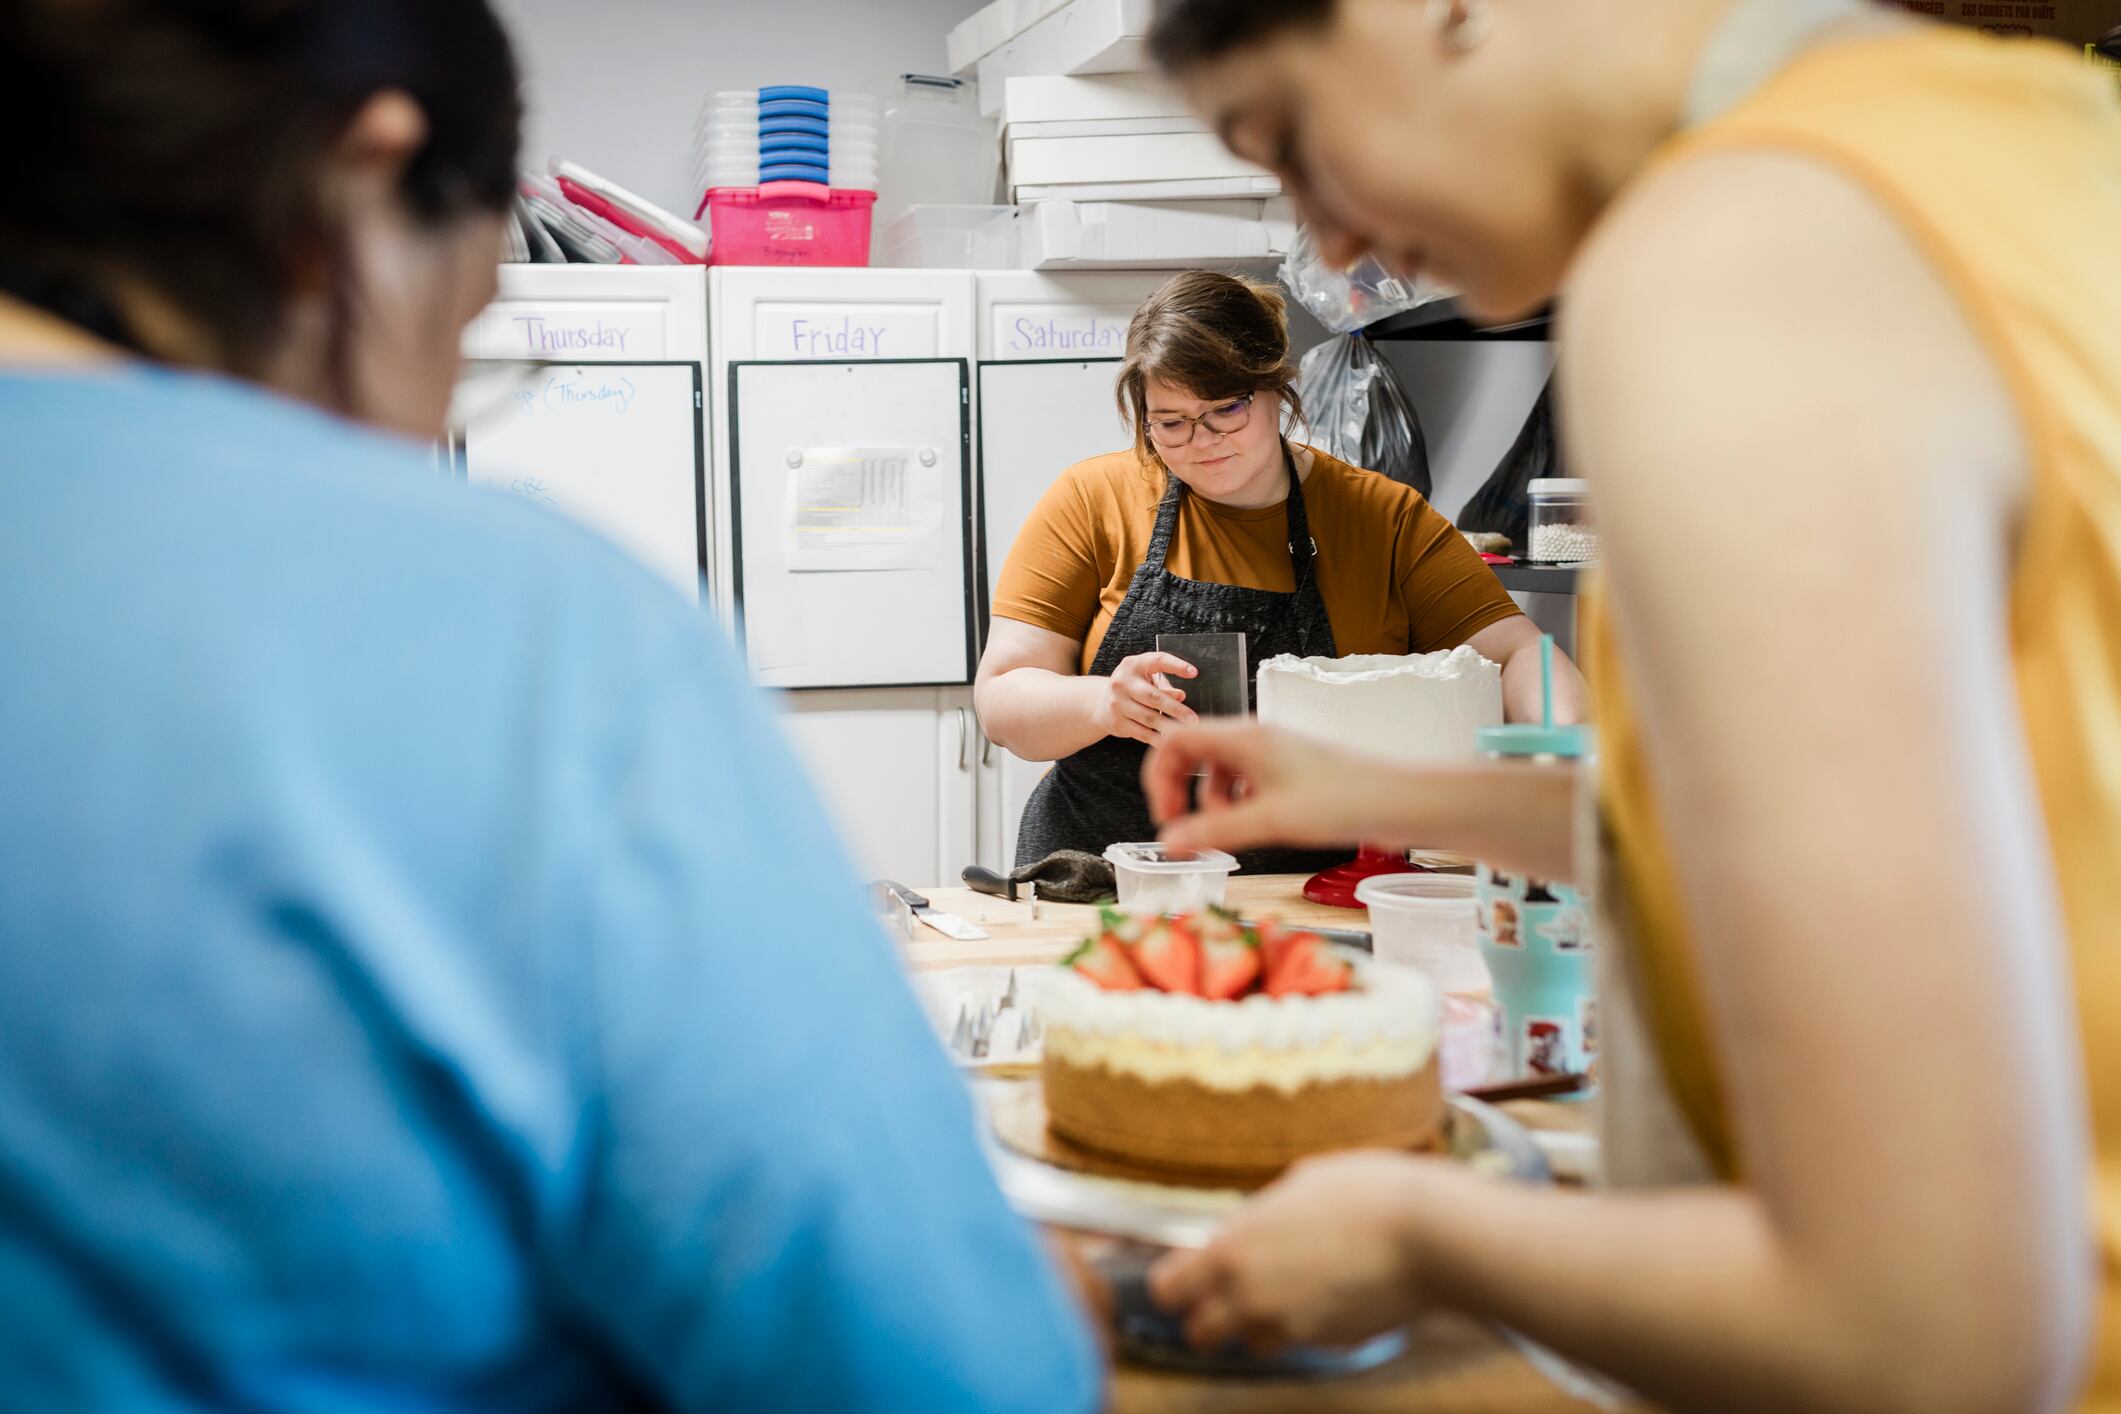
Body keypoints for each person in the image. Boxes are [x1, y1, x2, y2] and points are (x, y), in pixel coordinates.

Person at [0, 3, 1099, 1409]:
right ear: (369, 170)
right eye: (464, 335)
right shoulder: (524, 639)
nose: (413, 429)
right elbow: (945, 1378)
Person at [1133, 0, 2121, 1410]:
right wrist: (1373, 795)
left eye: (1291, 141)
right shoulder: (2033, 138)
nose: (1331, 244)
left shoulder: (1733, 256)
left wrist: (1419, 1230)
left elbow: (1926, 1336)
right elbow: (1927, 836)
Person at [975, 269, 1584, 869]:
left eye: (1225, 410)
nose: (1201, 440)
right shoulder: (1093, 499)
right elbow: (1002, 701)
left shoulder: (1382, 519)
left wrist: (1576, 756)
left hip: (1314, 887)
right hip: (1107, 879)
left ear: (1277, 389)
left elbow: (1519, 655)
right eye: (1170, 422)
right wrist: (1102, 702)